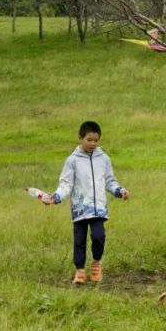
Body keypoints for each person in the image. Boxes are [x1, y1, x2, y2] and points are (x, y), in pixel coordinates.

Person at [41, 121, 130, 284]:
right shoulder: (72, 161)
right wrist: (56, 197)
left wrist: (120, 191)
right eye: (89, 140)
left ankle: (96, 263)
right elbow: (65, 184)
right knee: (79, 241)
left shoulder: (104, 159)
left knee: (99, 236)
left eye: (96, 140)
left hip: (99, 209)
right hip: (80, 209)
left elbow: (109, 181)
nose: (93, 144)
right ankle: (80, 270)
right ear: (80, 138)